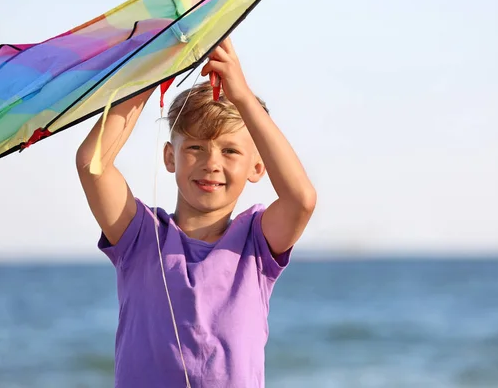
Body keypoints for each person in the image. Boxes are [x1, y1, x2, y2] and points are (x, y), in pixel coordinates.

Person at [75, 37, 317, 387]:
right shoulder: (141, 237)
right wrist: (147, 81)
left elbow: (301, 200)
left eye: (230, 150)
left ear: (257, 166)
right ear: (170, 157)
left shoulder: (254, 244)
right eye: (195, 147)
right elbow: (92, 165)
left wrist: (243, 98)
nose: (211, 163)